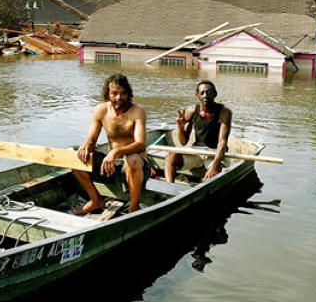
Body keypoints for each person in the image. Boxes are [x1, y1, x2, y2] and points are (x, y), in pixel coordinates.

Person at [73, 73, 150, 215]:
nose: (119, 97)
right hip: (111, 166)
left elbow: (141, 144)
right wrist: (86, 145)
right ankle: (96, 199)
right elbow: (92, 138)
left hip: (136, 166)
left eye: (123, 93)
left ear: (128, 94)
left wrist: (115, 152)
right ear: (108, 94)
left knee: (131, 159)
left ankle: (134, 206)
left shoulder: (137, 112)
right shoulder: (101, 110)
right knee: (74, 155)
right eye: (114, 93)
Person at [165, 80, 232, 183]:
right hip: (197, 151)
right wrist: (180, 128)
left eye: (209, 92)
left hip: (215, 153)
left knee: (215, 173)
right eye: (202, 93)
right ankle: (169, 186)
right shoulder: (192, 111)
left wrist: (215, 165)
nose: (205, 95)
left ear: (215, 94)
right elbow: (183, 142)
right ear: (197, 95)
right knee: (171, 156)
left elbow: (222, 142)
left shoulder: (224, 112)